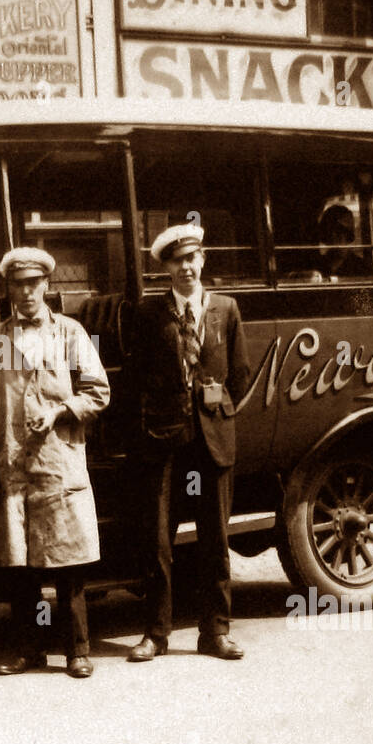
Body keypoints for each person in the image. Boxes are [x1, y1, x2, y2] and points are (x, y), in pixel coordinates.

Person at [0, 248, 111, 679]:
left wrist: (58, 411)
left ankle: (77, 651)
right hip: (14, 465)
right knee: (24, 568)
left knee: (68, 567)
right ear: (9, 289)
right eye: (19, 284)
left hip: (60, 465)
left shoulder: (70, 333)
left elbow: (98, 391)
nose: (27, 292)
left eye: (34, 284)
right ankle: (29, 650)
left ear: (47, 286)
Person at [127, 223, 252, 663]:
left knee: (215, 538)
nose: (186, 268)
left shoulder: (226, 310)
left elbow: (240, 374)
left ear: (204, 260)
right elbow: (137, 379)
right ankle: (156, 633)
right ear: (167, 268)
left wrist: (215, 406)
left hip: (212, 439)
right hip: (163, 440)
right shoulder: (148, 313)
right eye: (177, 261)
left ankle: (215, 632)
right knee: (158, 540)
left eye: (192, 258)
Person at [318, 204, 373, 280]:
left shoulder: (360, 267)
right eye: (337, 231)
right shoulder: (318, 264)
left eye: (345, 232)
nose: (341, 238)